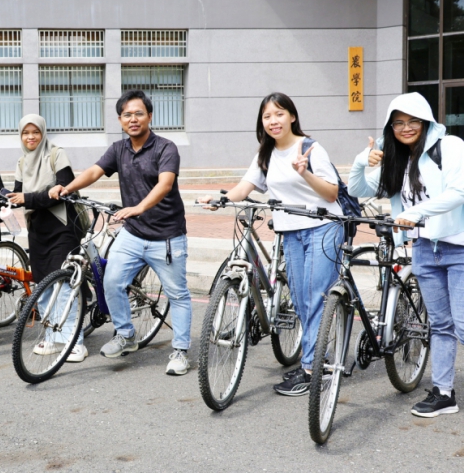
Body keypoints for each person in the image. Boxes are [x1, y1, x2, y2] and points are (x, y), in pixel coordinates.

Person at [198, 92, 344, 396]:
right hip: (290, 231)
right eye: (267, 116)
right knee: (303, 300)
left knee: (315, 296)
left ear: (292, 116)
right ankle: (316, 357)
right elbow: (245, 187)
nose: (273, 121)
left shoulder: (310, 148)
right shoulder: (265, 154)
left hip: (323, 228)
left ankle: (310, 370)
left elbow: (331, 193)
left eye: (279, 114)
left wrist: (304, 173)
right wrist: (220, 199)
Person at [49, 89, 192, 376]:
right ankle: (126, 335)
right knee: (111, 282)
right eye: (127, 114)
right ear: (120, 119)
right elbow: (94, 171)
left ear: (149, 116)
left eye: (139, 113)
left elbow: (164, 185)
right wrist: (68, 187)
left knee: (177, 295)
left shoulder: (166, 148)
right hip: (133, 234)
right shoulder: (119, 149)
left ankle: (180, 351)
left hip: (166, 236)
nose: (133, 119)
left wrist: (138, 207)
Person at [348, 92, 464, 417]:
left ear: (426, 120)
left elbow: (459, 190)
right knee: (440, 325)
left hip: (460, 248)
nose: (406, 128)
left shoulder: (450, 147)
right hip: (425, 249)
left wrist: (416, 213)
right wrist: (361, 160)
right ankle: (443, 393)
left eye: (412, 120)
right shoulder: (399, 159)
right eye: (398, 122)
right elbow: (357, 189)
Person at [0, 114, 88, 362]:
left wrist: (27, 198)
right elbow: (15, 195)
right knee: (44, 285)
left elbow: (63, 190)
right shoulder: (22, 161)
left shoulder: (57, 154)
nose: (30, 137)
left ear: (43, 132)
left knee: (63, 285)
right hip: (38, 230)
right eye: (25, 133)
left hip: (63, 227)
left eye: (35, 132)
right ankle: (53, 337)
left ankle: (74, 341)